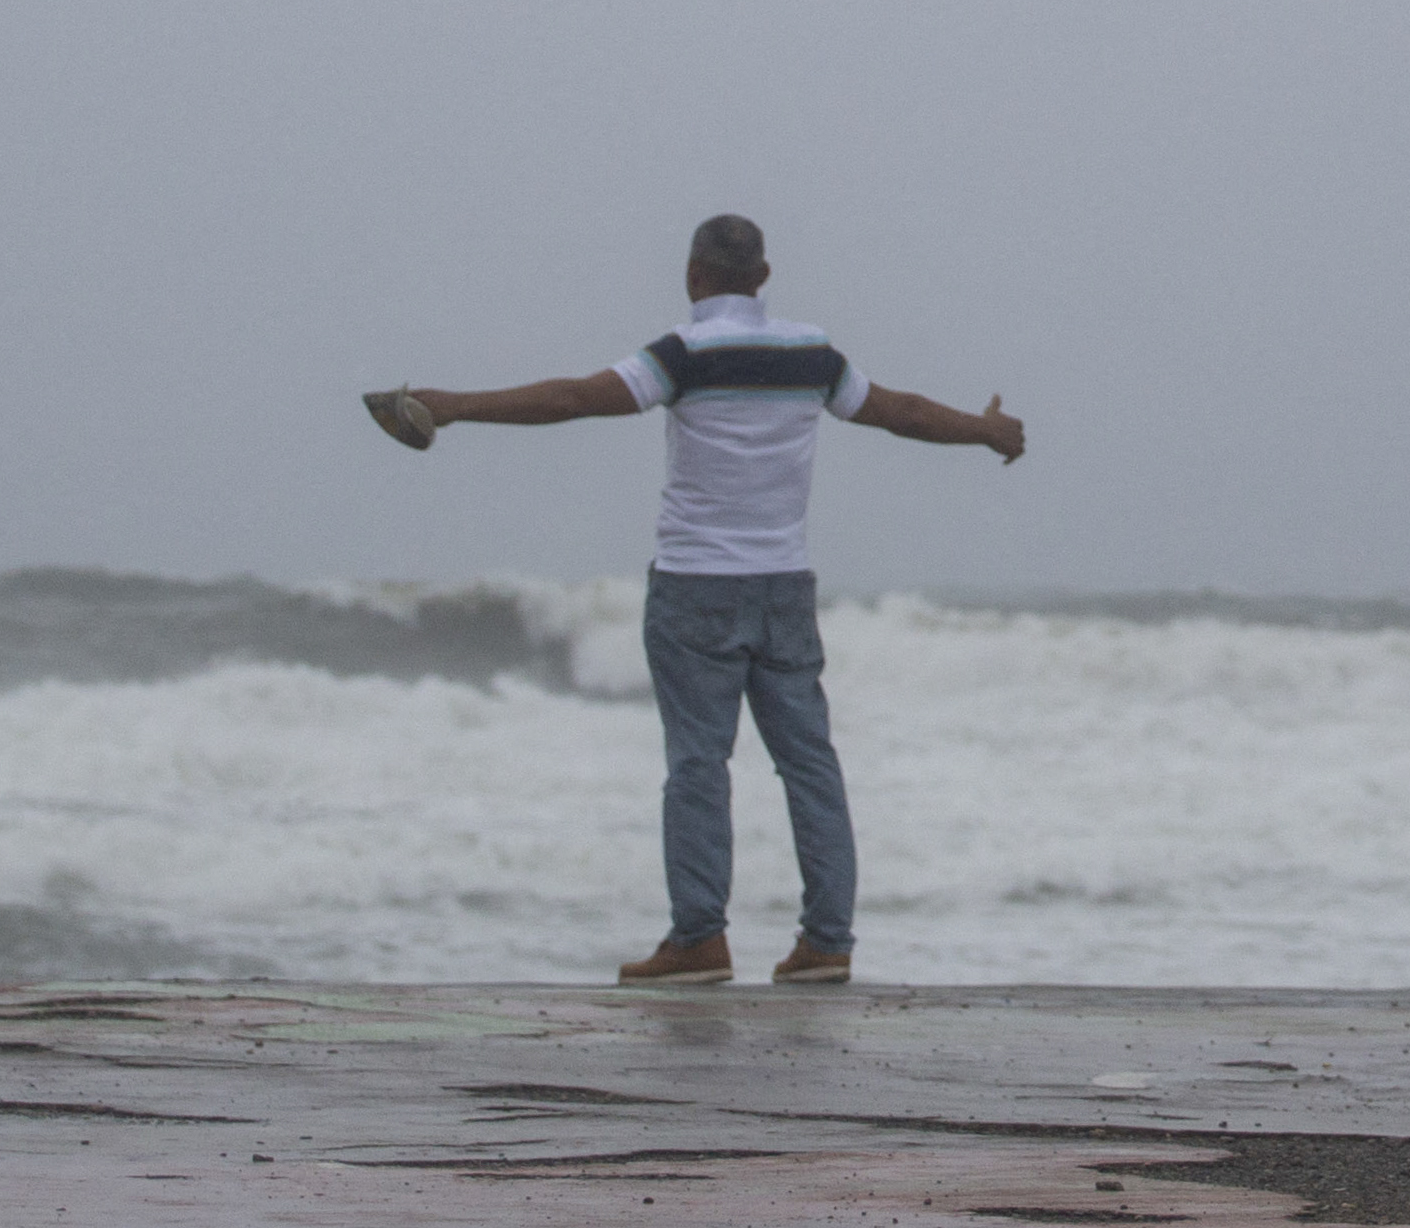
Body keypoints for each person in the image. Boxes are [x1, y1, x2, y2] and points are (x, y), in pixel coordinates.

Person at [363, 214, 1024, 986]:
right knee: (809, 762)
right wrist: (984, 429)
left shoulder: (682, 354)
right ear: (764, 276)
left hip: (693, 585)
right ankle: (827, 940)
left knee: (698, 764)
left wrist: (453, 404)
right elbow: (900, 412)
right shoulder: (813, 353)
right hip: (784, 585)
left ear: (693, 275)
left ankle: (700, 939)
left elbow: (576, 397)